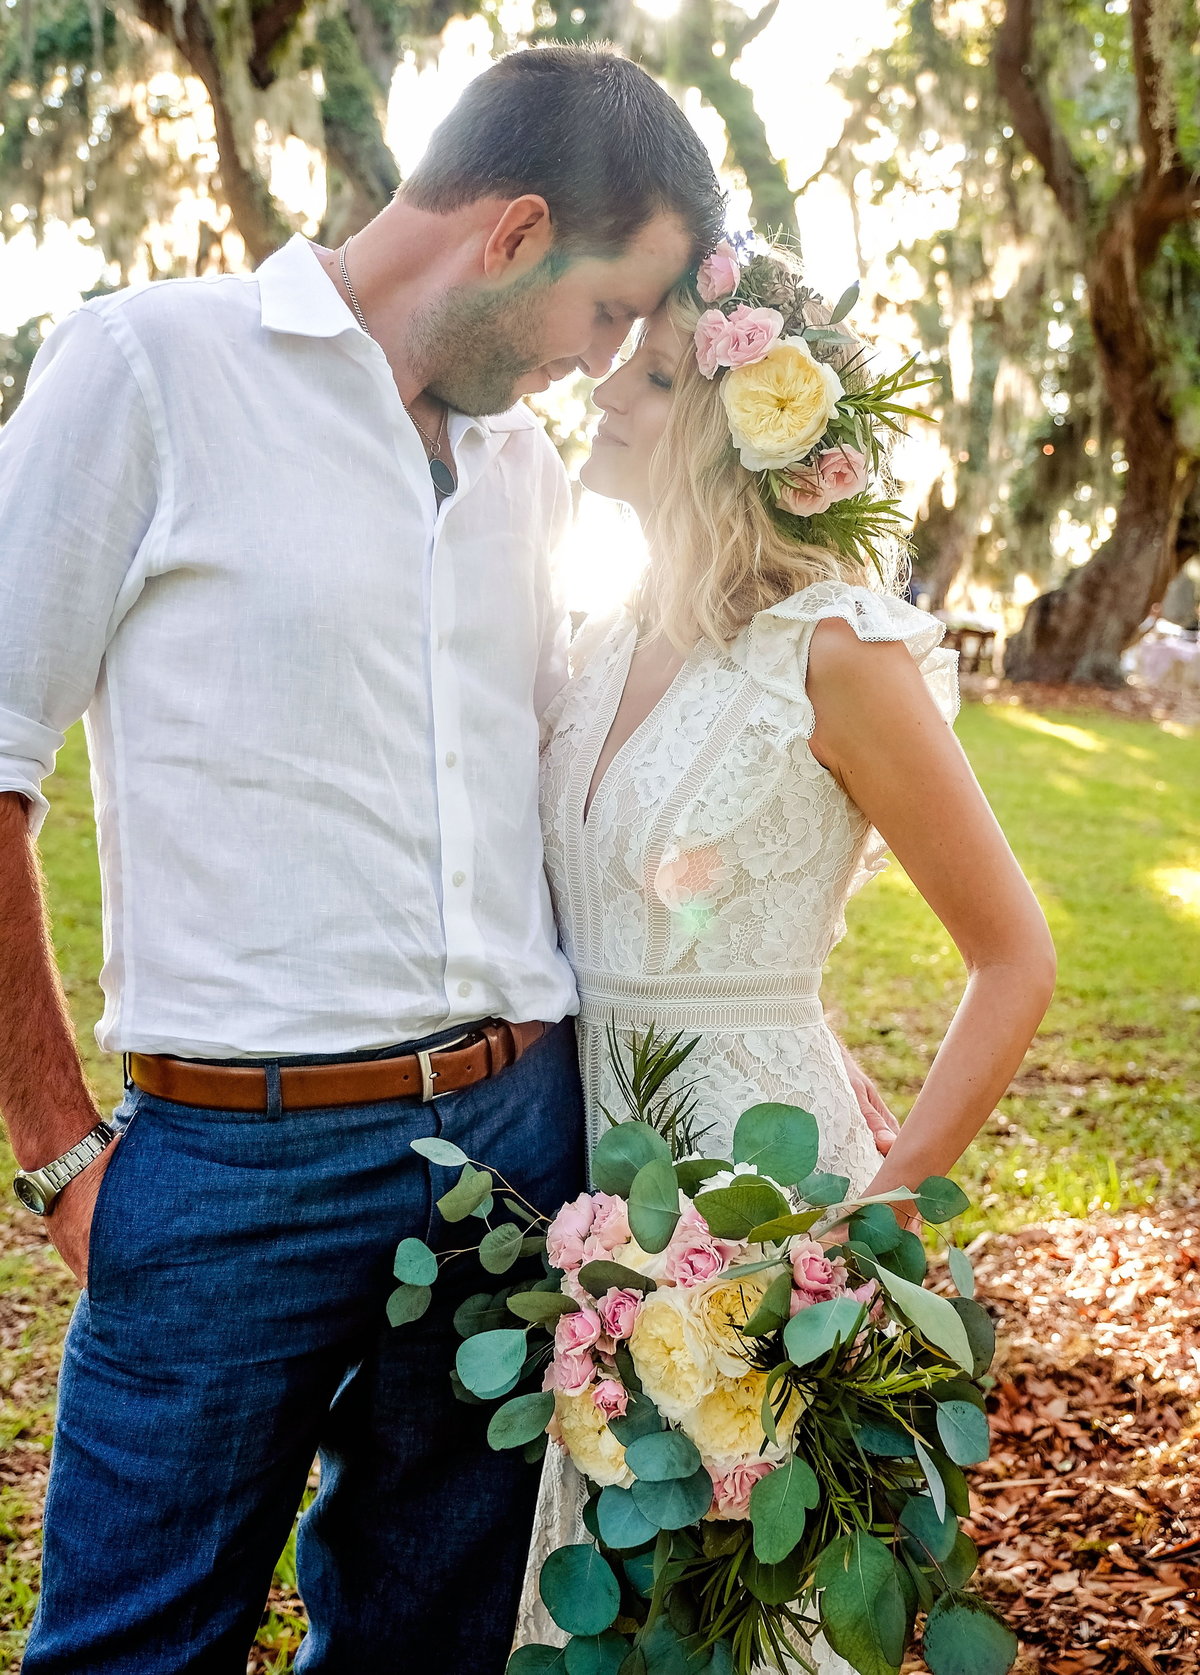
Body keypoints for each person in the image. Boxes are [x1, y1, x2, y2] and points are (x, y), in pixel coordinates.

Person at [0, 46, 732, 1675]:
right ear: (516, 229)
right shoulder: (145, 367)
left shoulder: (524, 472)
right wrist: (60, 1152)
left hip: (510, 1151)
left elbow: (559, 800)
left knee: (429, 1639)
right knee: (132, 1647)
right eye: (605, 313)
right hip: (230, 1164)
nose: (599, 363)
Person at [520, 241, 1057, 1666]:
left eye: (643, 377)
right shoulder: (597, 641)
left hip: (771, 1209)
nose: (601, 394)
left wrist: (868, 1224)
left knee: (761, 1617)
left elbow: (1015, 956)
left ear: (724, 418)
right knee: (627, 1616)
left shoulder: (838, 650)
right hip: (596, 1192)